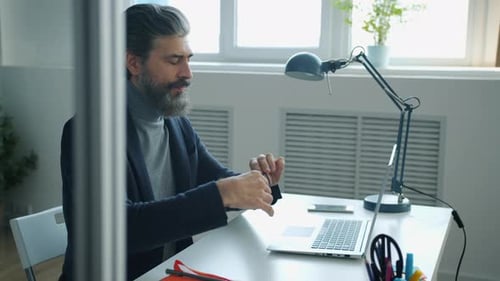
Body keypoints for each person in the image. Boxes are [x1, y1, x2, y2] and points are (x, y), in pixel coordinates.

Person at [58, 4, 285, 281]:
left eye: (188, 58)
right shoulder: (88, 133)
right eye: (174, 60)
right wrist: (222, 193)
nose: (188, 73)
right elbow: (119, 228)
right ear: (133, 63)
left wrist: (258, 181)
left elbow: (216, 178)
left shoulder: (176, 124)